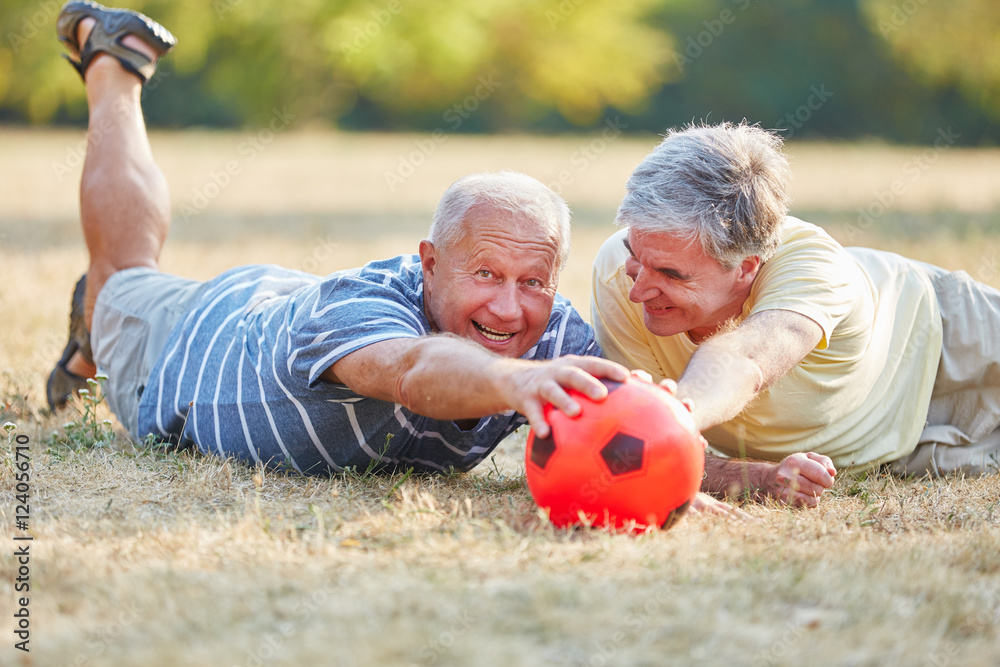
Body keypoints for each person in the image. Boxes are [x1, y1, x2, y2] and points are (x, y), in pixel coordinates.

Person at [48, 1, 631, 476]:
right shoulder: (363, 308)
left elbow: (630, 431)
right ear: (429, 264)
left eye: (533, 281)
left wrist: (696, 473)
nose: (510, 308)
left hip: (286, 307)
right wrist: (518, 379)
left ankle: (86, 339)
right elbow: (413, 370)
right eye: (485, 273)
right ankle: (114, 61)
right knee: (120, 275)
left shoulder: (553, 334)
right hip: (190, 339)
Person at [592, 121, 1000, 507]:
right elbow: (648, 453)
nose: (638, 290)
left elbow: (746, 359)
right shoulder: (616, 273)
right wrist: (761, 478)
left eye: (671, 274)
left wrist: (667, 420)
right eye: (635, 255)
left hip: (943, 340)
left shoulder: (815, 265)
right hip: (893, 452)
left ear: (747, 267)